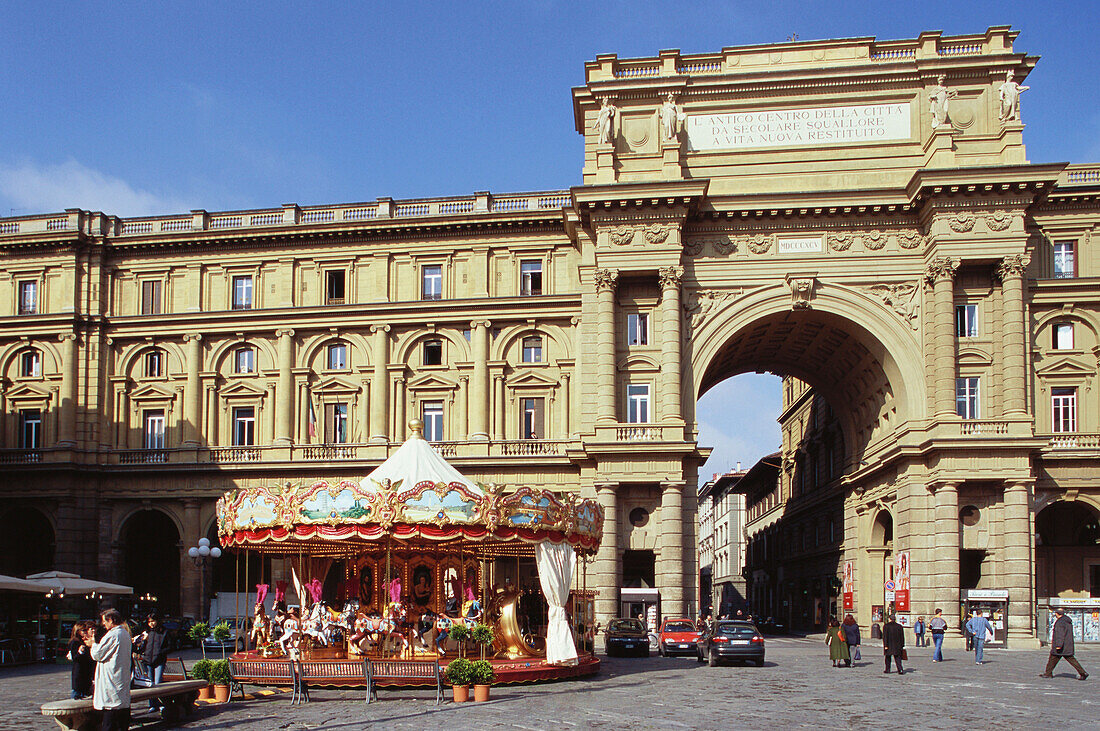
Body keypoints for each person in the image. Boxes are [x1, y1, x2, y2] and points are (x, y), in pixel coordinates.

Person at [89, 608, 132, 731]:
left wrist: (93, 643)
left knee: (110, 721)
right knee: (121, 720)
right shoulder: (124, 633)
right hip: (120, 679)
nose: (104, 624)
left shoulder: (113, 635)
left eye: (105, 621)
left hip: (111, 681)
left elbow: (98, 654)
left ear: (112, 620)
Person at [1040, 607, 1089, 680]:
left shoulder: (1060, 622)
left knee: (1053, 658)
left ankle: (1048, 673)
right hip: (1067, 645)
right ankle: (1083, 673)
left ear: (1057, 614)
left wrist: (1058, 645)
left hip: (1061, 646)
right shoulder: (1067, 621)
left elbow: (1060, 634)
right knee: (1068, 659)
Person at [135, 614, 168, 710]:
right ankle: (152, 704)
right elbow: (140, 648)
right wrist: (141, 642)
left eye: (153, 621)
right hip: (148, 660)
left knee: (157, 683)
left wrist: (160, 653)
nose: (151, 624)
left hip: (159, 660)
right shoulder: (146, 633)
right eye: (149, 622)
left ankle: (160, 703)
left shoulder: (163, 631)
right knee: (150, 683)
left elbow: (170, 646)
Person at [67, 620, 96, 699]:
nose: (85, 632)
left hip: (87, 674)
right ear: (78, 631)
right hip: (79, 673)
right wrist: (80, 651)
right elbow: (75, 658)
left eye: (86, 630)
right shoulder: (75, 642)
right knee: (77, 694)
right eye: (83, 630)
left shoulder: (85, 641)